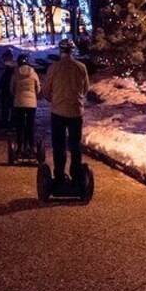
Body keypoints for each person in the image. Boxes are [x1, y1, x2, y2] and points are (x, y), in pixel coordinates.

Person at [41, 38, 89, 191]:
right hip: (76, 111)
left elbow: (46, 91)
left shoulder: (54, 67)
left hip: (59, 112)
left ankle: (59, 177)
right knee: (75, 146)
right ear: (72, 50)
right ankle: (76, 177)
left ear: (60, 50)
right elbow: (86, 88)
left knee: (59, 145)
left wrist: (54, 99)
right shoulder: (81, 67)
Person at [10, 53, 40, 153]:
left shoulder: (15, 74)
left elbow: (11, 89)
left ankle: (19, 147)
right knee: (30, 126)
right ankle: (31, 147)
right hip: (31, 104)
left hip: (19, 103)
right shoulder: (34, 74)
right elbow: (38, 89)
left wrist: (16, 95)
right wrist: (33, 95)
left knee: (20, 126)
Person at [0, 49, 16, 128]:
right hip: (12, 94)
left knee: (5, 108)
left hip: (5, 94)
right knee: (12, 109)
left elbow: (1, 83)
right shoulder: (14, 75)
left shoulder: (5, 75)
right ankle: (13, 122)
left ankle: (5, 122)